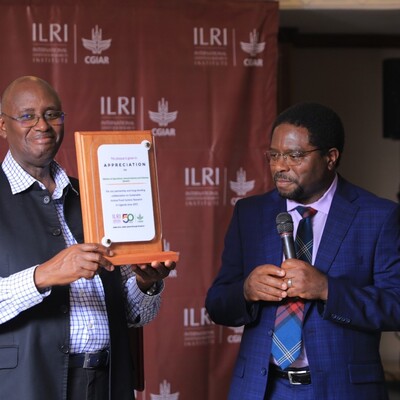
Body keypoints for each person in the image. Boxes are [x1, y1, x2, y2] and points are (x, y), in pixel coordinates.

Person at [205, 102, 400, 400]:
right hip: (263, 389)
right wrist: (246, 290)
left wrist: (326, 289)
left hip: (342, 391)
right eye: (274, 155)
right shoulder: (250, 213)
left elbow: (396, 307)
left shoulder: (378, 216)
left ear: (330, 157)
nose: (280, 166)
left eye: (295, 156)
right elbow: (218, 303)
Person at [0, 75, 176, 400]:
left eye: (52, 114)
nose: (43, 125)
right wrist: (44, 275)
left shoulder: (94, 193)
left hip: (107, 381)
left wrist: (144, 285)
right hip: (27, 384)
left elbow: (137, 315)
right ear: (3, 125)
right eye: (27, 116)